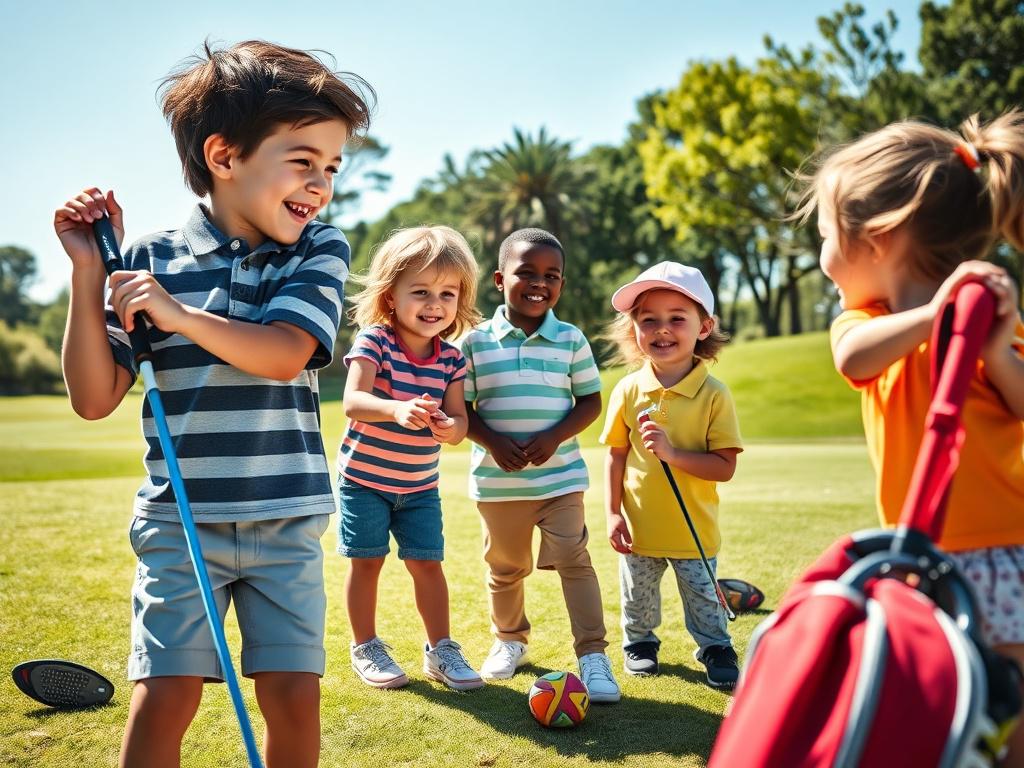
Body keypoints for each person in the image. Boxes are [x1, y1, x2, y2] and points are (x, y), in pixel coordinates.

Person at [54, 40, 371, 768]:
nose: (320, 185)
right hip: (179, 522)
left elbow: (286, 349)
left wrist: (180, 317)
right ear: (224, 157)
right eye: (302, 162)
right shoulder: (149, 261)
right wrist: (89, 274)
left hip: (285, 516)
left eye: (330, 168)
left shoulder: (316, 249)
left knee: (293, 692)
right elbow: (94, 397)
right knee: (167, 695)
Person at [797, 110, 1024, 765]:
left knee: (1009, 730)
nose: (821, 257)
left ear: (879, 236)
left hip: (1006, 555)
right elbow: (855, 360)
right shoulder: (865, 324)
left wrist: (997, 348)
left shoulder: (993, 320)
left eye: (823, 234)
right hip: (926, 563)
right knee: (944, 730)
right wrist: (936, 314)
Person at [460, 228, 620, 701]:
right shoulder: (474, 343)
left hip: (560, 479)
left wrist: (554, 437)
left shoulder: (570, 339)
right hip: (498, 483)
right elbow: (462, 408)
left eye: (551, 275)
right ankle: (510, 641)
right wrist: (490, 440)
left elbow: (589, 400)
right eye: (525, 273)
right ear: (498, 279)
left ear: (561, 285)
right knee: (505, 567)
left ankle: (593, 654)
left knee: (574, 559)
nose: (539, 283)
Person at [338, 225, 483, 691]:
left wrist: (448, 427)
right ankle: (366, 645)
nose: (434, 304)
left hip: (420, 486)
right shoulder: (375, 342)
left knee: (427, 564)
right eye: (420, 291)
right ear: (390, 297)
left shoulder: (452, 360)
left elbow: (460, 426)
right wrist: (397, 409)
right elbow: (353, 401)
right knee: (367, 562)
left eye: (446, 293)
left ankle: (441, 649)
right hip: (364, 480)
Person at [600, 261, 743, 690]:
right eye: (649, 320)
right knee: (636, 599)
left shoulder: (714, 394)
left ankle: (716, 646)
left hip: (693, 530)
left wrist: (672, 453)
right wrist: (612, 513)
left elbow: (725, 466)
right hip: (639, 529)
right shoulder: (628, 389)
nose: (662, 329)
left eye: (676, 319)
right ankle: (639, 644)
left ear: (704, 326)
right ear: (635, 330)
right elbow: (616, 454)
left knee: (703, 599)